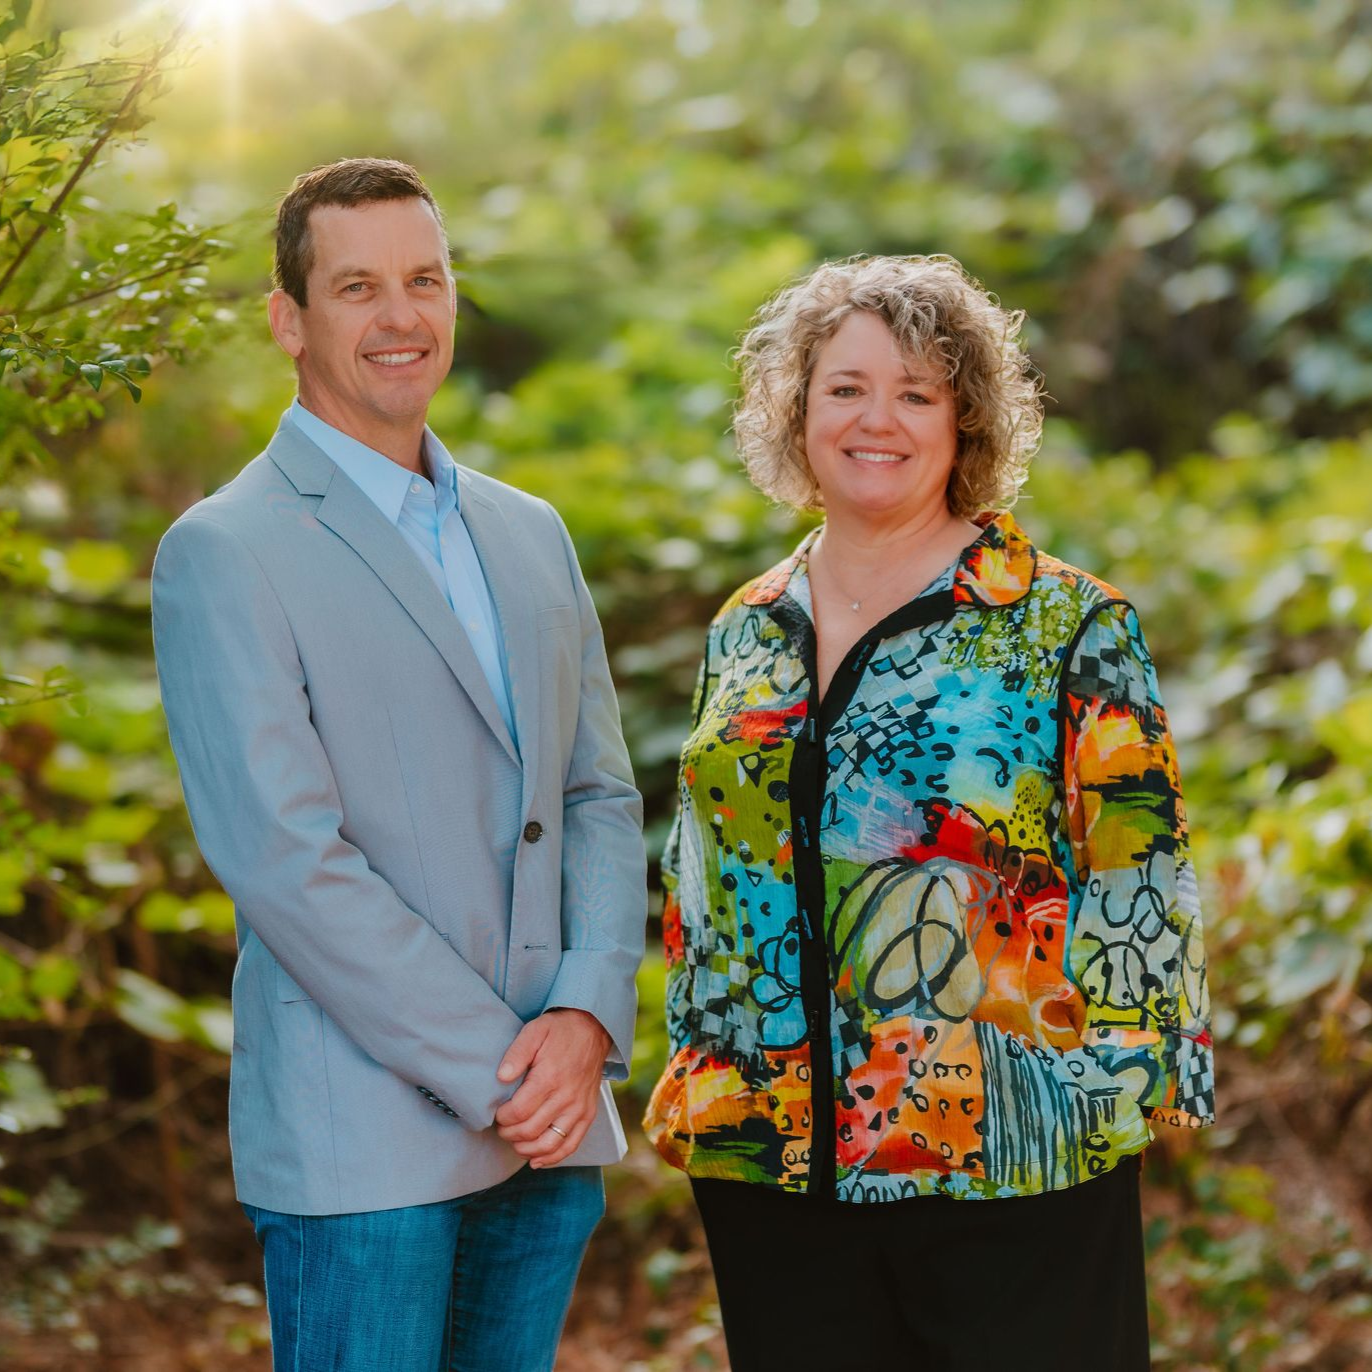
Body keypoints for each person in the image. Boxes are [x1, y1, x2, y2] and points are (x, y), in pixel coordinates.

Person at [643, 254, 1213, 1370]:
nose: (877, 419)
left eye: (916, 391)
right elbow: (703, 880)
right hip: (771, 1160)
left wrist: (1116, 1094)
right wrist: (702, 1069)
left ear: (967, 423)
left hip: (1008, 1161)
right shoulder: (746, 628)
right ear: (796, 412)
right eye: (845, 387)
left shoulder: (1064, 622)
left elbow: (1142, 877)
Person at [152, 158, 645, 1372]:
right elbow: (286, 861)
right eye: (358, 286)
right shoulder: (224, 549)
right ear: (290, 319)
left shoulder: (529, 533)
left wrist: (586, 1012)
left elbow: (598, 794)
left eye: (424, 279)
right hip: (361, 1146)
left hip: (550, 1122)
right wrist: (502, 1068)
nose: (401, 316)